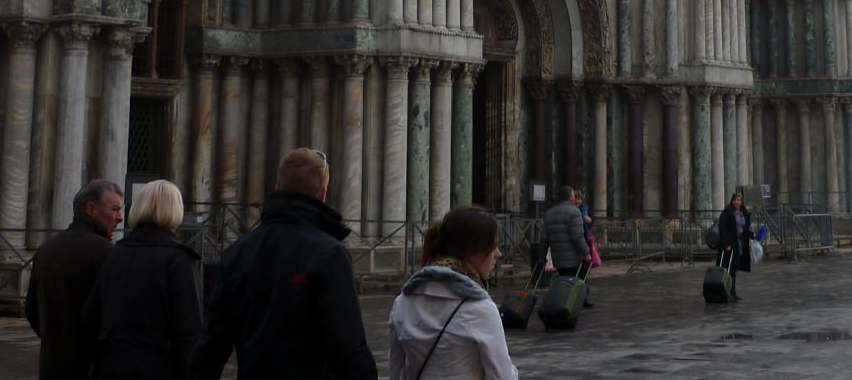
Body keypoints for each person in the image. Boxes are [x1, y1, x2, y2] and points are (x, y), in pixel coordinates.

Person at [189, 148, 375, 380]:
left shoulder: (237, 253)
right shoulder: (331, 256)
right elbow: (349, 349)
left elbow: (211, 347)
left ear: (277, 187)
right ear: (323, 193)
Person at [82, 179, 202, 379]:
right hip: (158, 368)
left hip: (111, 366)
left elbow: (90, 316)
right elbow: (190, 332)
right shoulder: (178, 260)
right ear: (176, 209)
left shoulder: (115, 254)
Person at [388, 207, 518, 380]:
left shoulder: (403, 302)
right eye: (493, 246)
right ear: (471, 250)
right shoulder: (479, 308)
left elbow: (396, 372)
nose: (498, 254)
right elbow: (503, 377)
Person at [26, 179, 124, 380]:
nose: (120, 218)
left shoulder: (46, 249)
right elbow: (116, 314)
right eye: (114, 209)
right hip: (90, 367)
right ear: (91, 209)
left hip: (51, 366)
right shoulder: (104, 251)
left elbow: (31, 310)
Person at [541, 185, 588, 288]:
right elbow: (578, 236)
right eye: (573, 196)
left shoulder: (549, 213)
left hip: (557, 258)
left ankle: (564, 300)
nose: (575, 198)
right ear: (570, 197)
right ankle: (575, 301)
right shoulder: (575, 212)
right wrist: (586, 252)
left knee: (563, 282)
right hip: (572, 258)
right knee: (574, 283)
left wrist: (542, 257)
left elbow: (544, 238)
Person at [715, 191, 753, 301]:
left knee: (734, 269)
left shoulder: (744, 213)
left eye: (739, 200)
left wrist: (752, 235)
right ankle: (724, 292)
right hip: (730, 245)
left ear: (742, 202)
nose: (737, 202)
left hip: (740, 245)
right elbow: (723, 228)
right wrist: (726, 244)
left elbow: (745, 229)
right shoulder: (727, 212)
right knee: (727, 269)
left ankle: (732, 292)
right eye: (735, 200)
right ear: (732, 201)